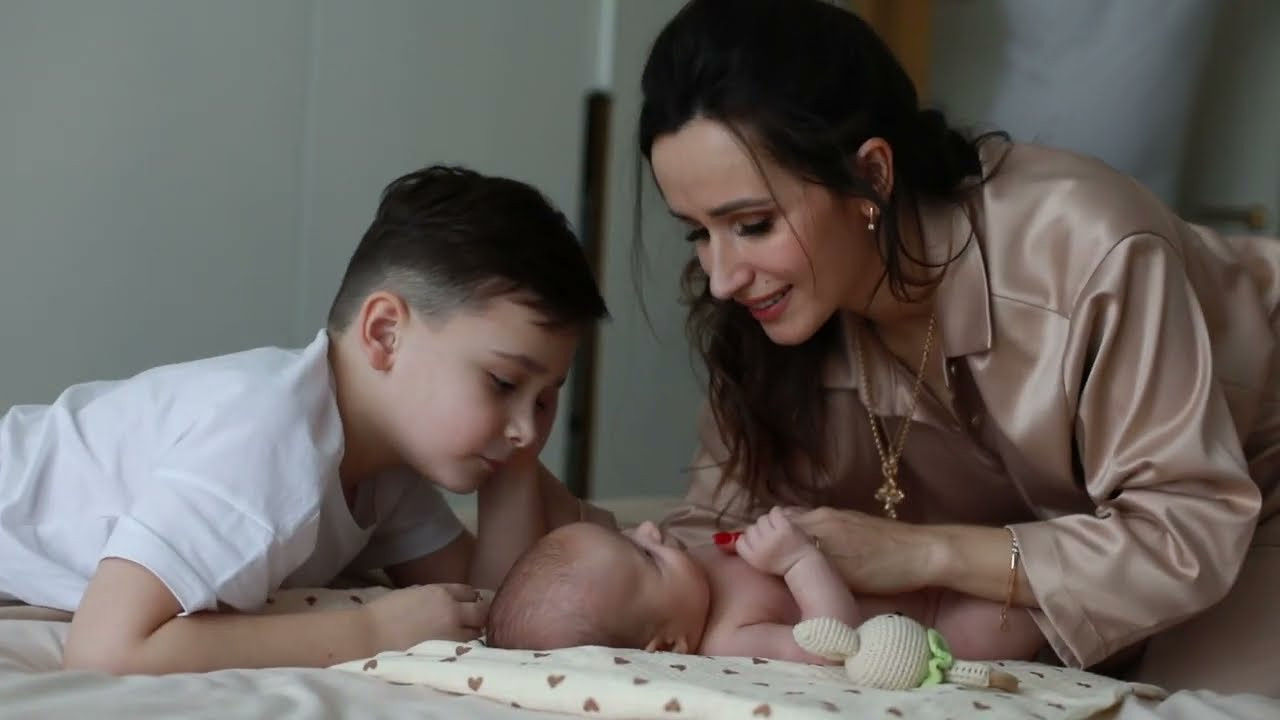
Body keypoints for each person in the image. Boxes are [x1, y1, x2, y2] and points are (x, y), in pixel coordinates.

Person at [634, 0, 1280, 695]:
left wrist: (924, 552)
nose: (722, 278)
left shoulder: (1087, 251)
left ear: (872, 175)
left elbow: (1184, 531)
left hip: (1243, 496)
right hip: (1066, 565)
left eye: (753, 224)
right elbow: (715, 524)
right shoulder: (774, 310)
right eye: (698, 233)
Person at [0, 165, 613, 675]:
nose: (529, 428)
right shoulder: (270, 437)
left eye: (546, 398)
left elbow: (491, 607)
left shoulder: (386, 466)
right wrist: (370, 631)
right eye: (503, 382)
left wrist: (514, 464)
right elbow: (104, 650)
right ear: (385, 335)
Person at [486, 509, 1045, 664]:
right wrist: (800, 560)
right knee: (1033, 613)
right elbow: (833, 645)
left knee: (1019, 550)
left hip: (914, 566)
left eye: (630, 534)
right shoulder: (729, 638)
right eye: (647, 556)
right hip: (937, 624)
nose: (651, 529)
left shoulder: (695, 579)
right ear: (668, 647)